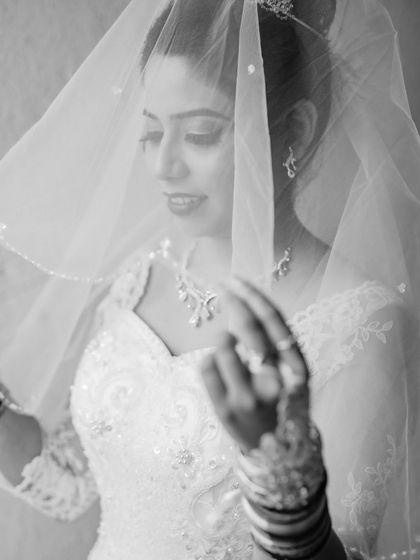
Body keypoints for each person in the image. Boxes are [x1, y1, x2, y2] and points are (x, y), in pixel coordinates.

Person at [0, 0, 419, 559]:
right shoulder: (140, 275)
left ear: (294, 128)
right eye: (151, 133)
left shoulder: (360, 323)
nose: (163, 165)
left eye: (199, 133)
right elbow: (77, 483)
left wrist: (281, 479)